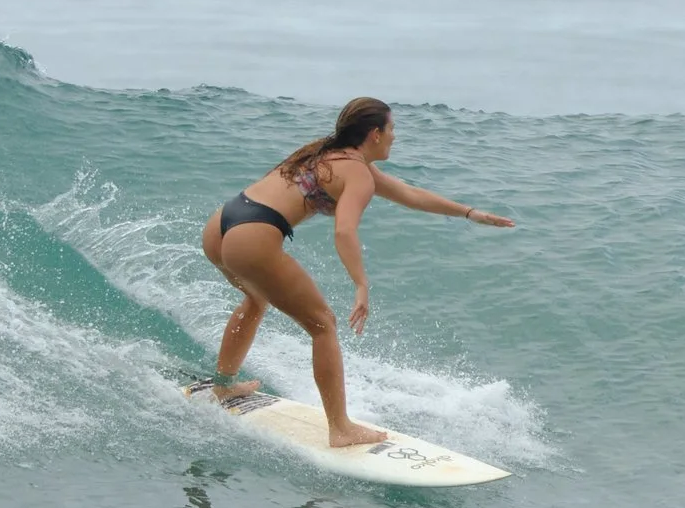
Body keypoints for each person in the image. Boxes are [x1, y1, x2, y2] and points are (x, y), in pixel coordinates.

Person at [199, 97, 514, 448]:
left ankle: (224, 385)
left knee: (255, 301)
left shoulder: (326, 153)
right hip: (253, 235)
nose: (395, 136)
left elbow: (408, 193)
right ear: (375, 134)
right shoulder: (357, 172)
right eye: (392, 129)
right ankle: (340, 428)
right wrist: (361, 284)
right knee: (323, 324)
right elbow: (345, 231)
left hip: (223, 223)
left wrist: (469, 213)